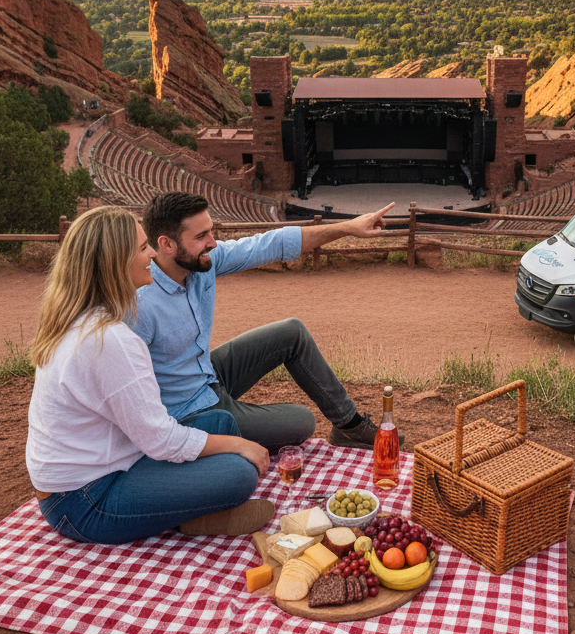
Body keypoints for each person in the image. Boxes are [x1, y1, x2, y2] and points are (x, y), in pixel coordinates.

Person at [26, 206, 276, 544]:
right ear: (116, 262)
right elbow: (160, 440)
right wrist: (241, 446)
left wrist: (230, 440)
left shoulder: (81, 319)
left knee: (220, 423)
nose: (152, 255)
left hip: (92, 473)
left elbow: (149, 432)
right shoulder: (110, 340)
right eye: (143, 248)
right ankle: (193, 515)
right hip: (85, 500)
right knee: (239, 473)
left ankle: (195, 513)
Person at [130, 192, 402, 455]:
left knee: (291, 332)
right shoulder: (140, 306)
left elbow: (270, 244)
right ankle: (221, 432)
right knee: (302, 422)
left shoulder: (203, 262)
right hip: (191, 409)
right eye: (201, 236)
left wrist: (348, 227)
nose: (213, 242)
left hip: (206, 373)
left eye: (211, 231)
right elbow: (130, 396)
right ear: (166, 244)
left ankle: (349, 426)